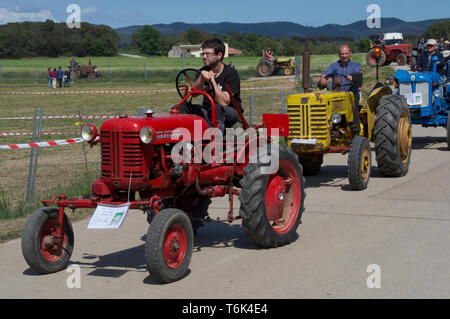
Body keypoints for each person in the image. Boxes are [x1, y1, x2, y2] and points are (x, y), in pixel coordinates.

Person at [174, 38, 242, 133]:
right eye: (203, 54)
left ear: (219, 55)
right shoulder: (202, 71)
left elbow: (224, 102)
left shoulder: (231, 74)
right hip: (208, 110)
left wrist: (212, 80)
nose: (204, 57)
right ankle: (181, 139)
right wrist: (201, 78)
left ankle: (213, 141)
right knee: (178, 108)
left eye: (208, 54)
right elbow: (193, 93)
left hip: (230, 112)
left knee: (217, 108)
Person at [319, 44, 362, 133]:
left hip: (351, 93)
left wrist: (353, 77)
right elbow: (326, 74)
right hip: (336, 95)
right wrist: (322, 78)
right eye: (342, 54)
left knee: (354, 110)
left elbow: (358, 76)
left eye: (346, 53)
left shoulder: (356, 65)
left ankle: (355, 130)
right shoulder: (334, 66)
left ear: (350, 54)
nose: (344, 56)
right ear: (339, 55)